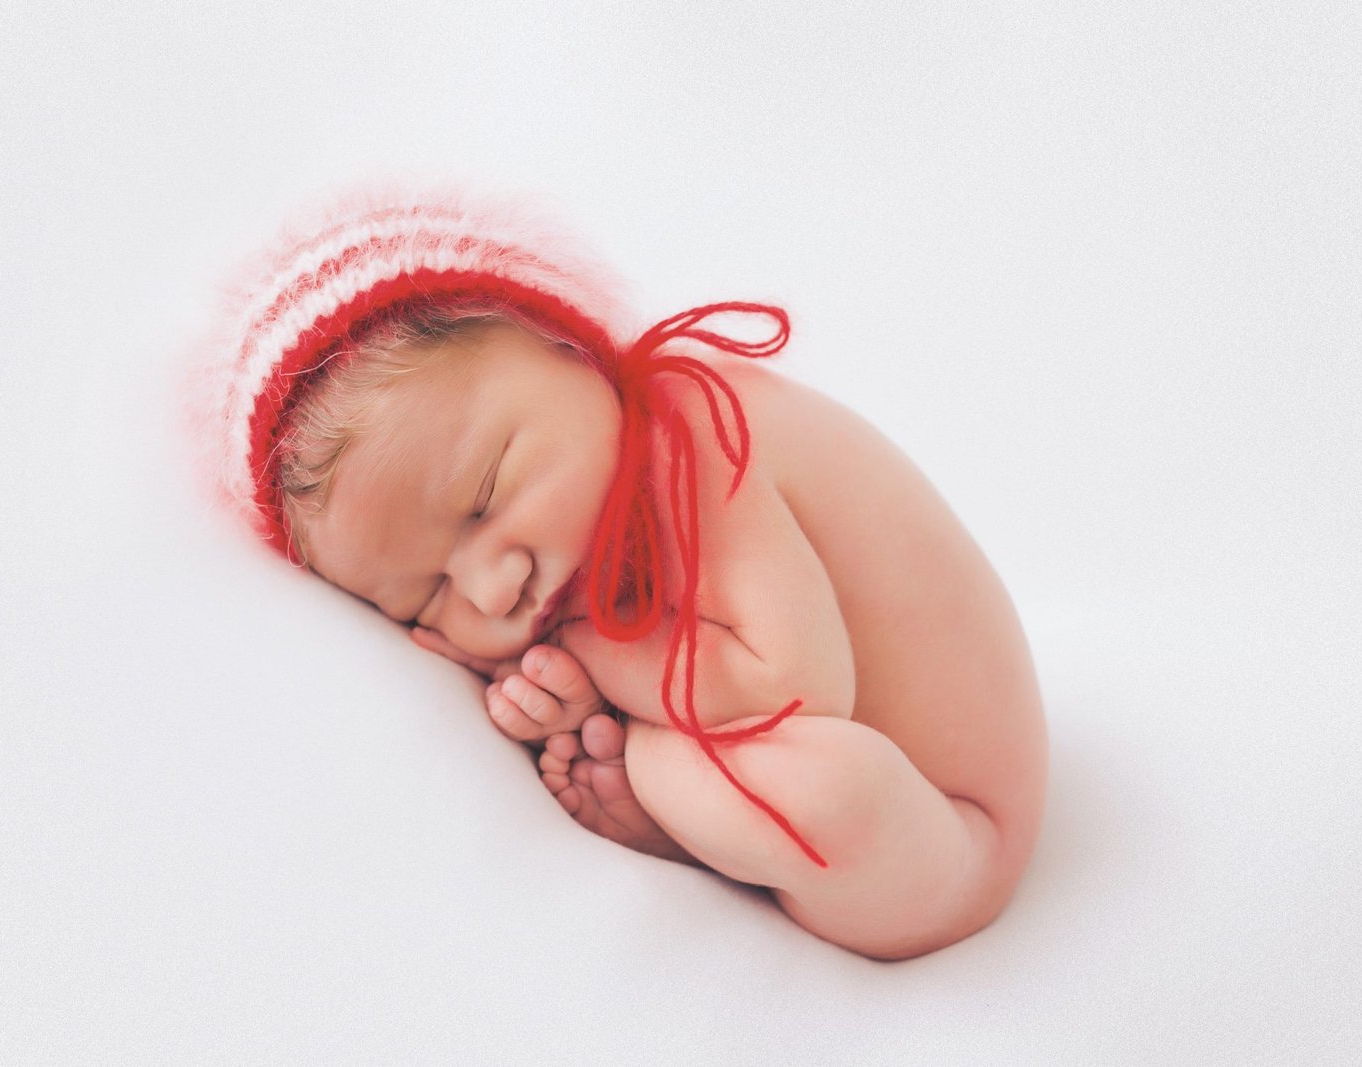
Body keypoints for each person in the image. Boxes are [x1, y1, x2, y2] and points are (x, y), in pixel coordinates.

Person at [184, 183, 1048, 960]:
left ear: (571, 344)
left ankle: (704, 829)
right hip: (858, 835)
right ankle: (686, 836)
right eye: (426, 595)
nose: (492, 587)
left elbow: (790, 686)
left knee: (827, 789)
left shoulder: (696, 426)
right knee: (674, 762)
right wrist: (579, 706)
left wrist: (589, 650)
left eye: (485, 498)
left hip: (948, 830)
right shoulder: (592, 520)